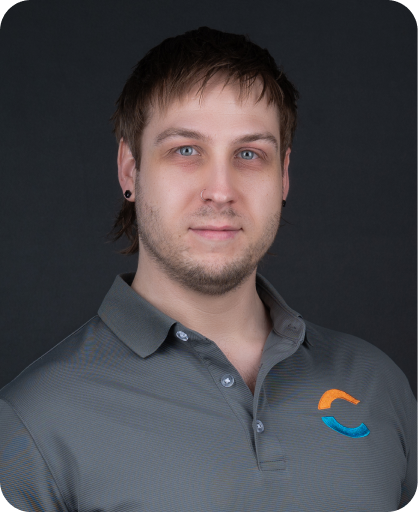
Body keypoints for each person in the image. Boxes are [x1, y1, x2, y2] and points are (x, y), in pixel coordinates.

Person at [0, 26, 416, 512]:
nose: (220, 190)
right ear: (130, 170)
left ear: (283, 175)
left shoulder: (377, 383)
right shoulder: (29, 423)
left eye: (248, 154)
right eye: (186, 150)